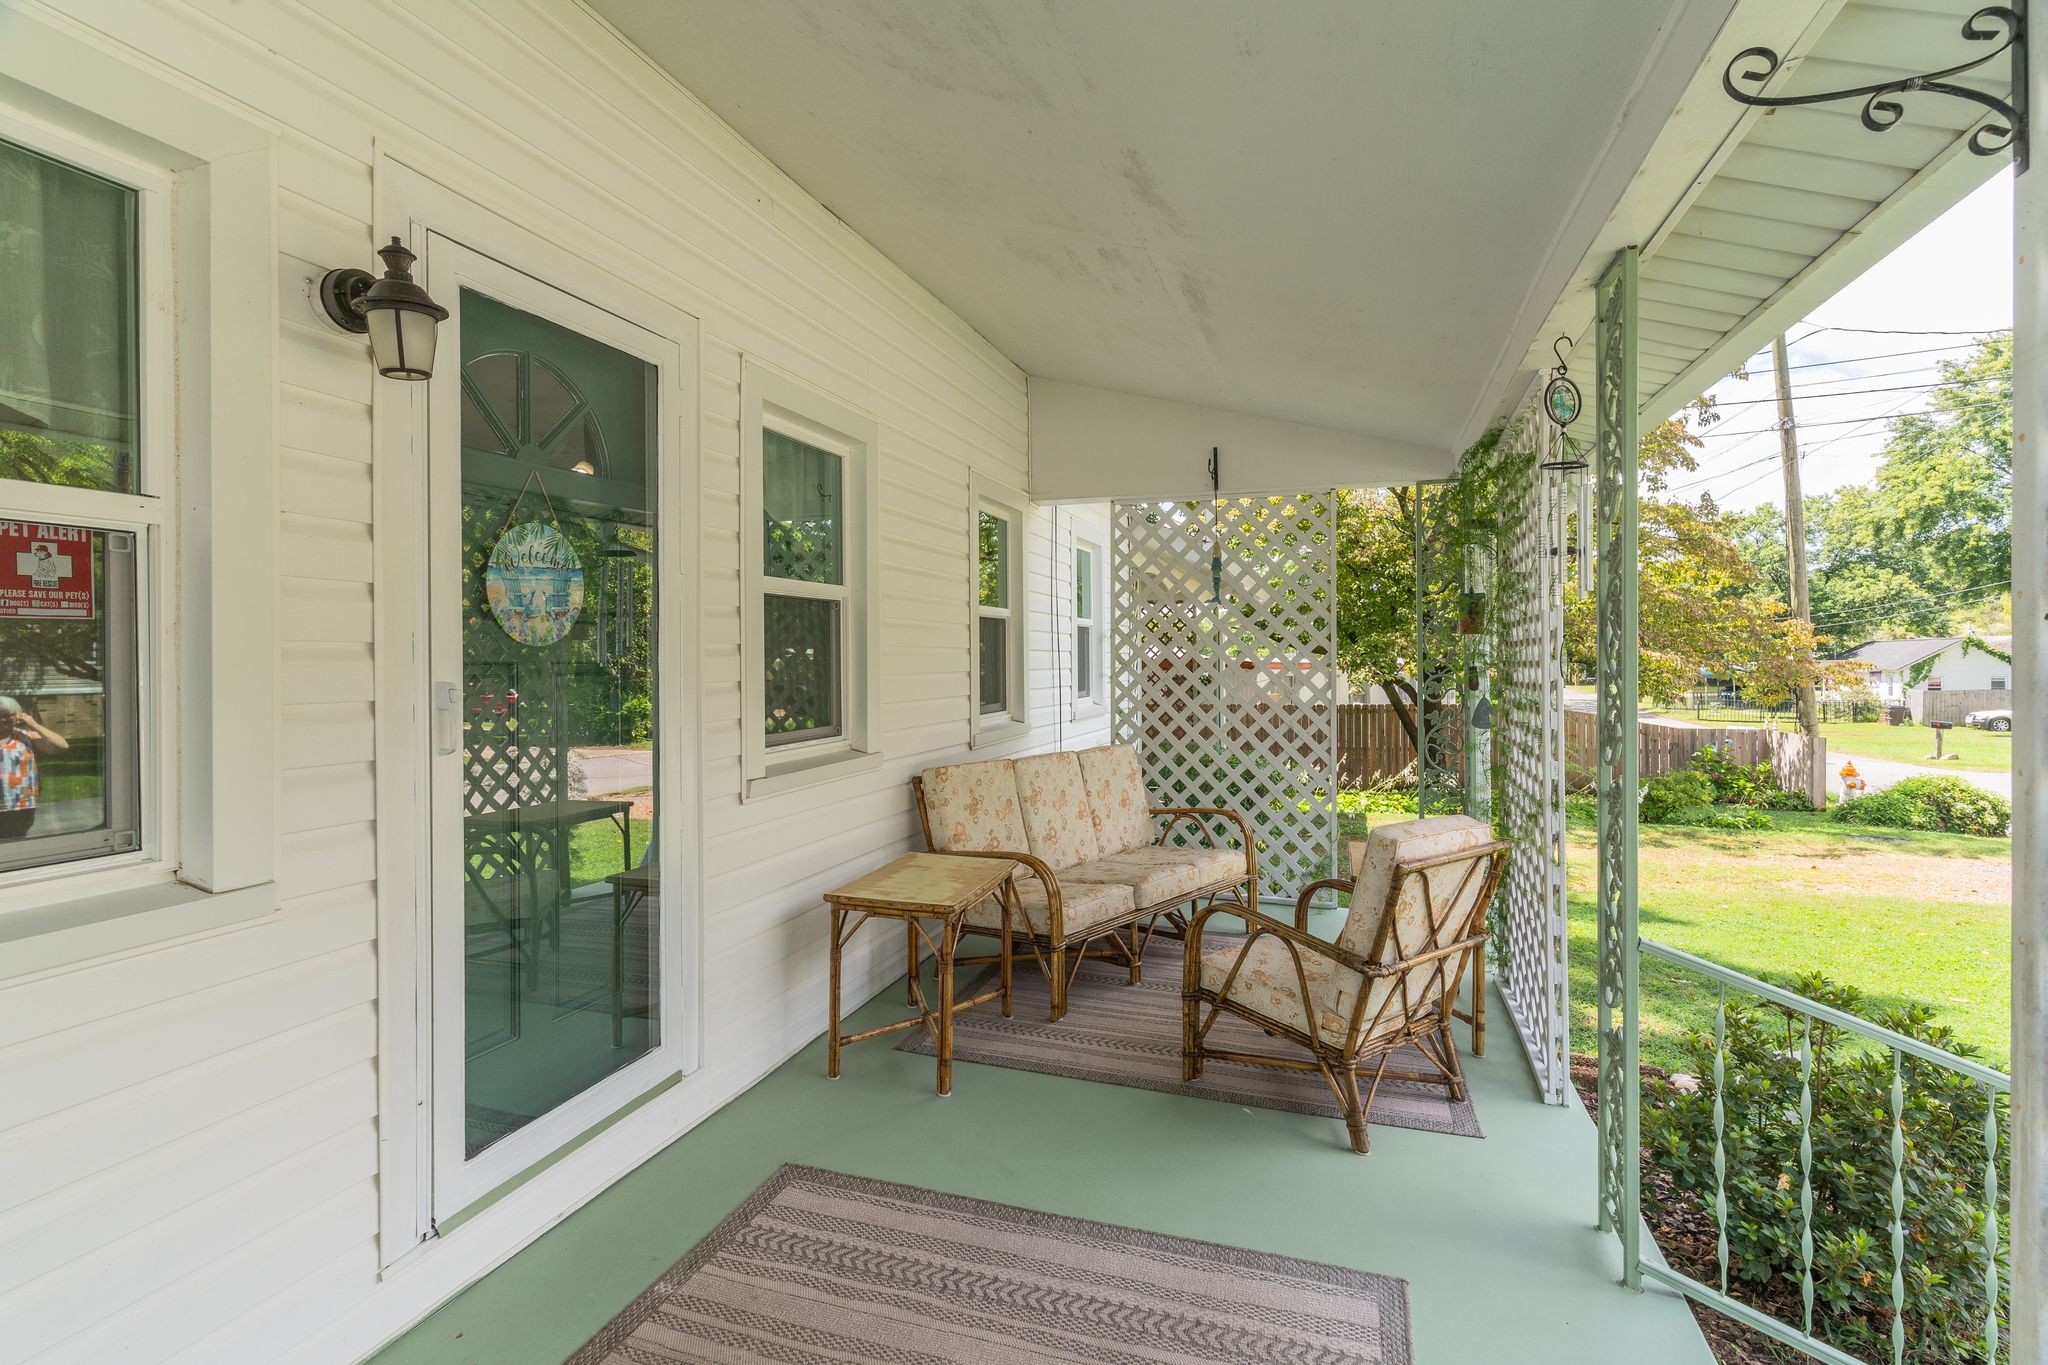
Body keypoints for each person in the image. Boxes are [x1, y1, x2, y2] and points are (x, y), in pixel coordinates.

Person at [0, 696, 67, 839]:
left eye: (8, 715)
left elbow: (62, 745)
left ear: (17, 716)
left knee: (16, 843)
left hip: (21, 806)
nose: (3, 720)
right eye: (0, 716)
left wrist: (34, 724)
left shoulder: (26, 737)